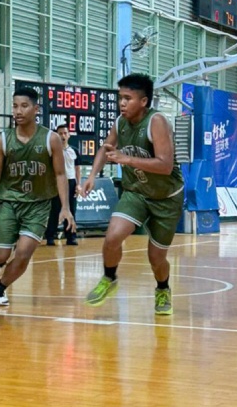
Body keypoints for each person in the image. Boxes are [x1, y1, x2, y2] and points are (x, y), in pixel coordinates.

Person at [82, 73, 184, 316]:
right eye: (120, 98)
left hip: (166, 198)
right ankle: (109, 278)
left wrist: (127, 159)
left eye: (128, 98)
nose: (122, 103)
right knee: (112, 236)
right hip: (136, 192)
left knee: (156, 258)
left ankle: (162, 288)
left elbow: (165, 165)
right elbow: (106, 148)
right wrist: (92, 175)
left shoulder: (156, 122)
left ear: (144, 101)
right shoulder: (120, 122)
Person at [0, 87, 76, 306]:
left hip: (39, 204)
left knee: (23, 253)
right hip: (9, 202)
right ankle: (1, 263)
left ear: (36, 109)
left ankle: (0, 287)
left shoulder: (51, 139)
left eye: (24, 106)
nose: (18, 111)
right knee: (0, 255)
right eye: (14, 106)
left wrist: (65, 207)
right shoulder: (3, 139)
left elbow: (61, 174)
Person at [44, 123, 81, 246]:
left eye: (65, 133)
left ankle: (71, 237)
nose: (63, 136)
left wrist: (78, 184)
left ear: (69, 135)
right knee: (55, 210)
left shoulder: (74, 151)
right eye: (60, 133)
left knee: (71, 210)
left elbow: (77, 169)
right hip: (58, 183)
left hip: (71, 182)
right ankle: (50, 236)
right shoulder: (53, 151)